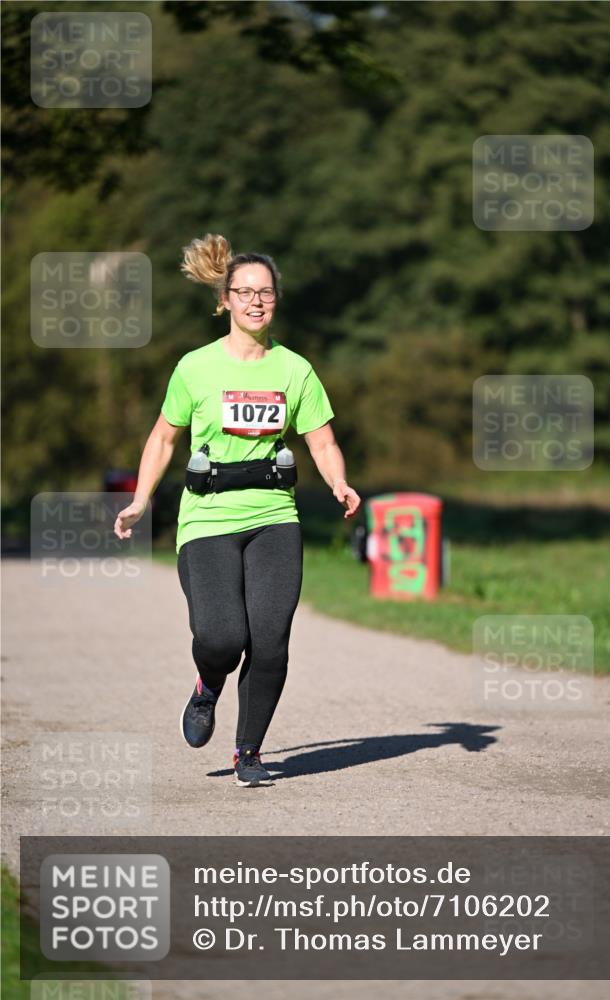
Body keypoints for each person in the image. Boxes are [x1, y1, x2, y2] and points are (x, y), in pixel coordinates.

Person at [114, 233, 360, 787]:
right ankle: (207, 686)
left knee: (270, 640)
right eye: (244, 293)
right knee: (223, 637)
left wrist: (340, 482)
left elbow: (321, 441)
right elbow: (162, 438)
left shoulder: (294, 370)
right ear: (224, 300)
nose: (255, 302)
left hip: (274, 514)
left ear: (275, 300)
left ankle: (247, 752)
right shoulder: (194, 368)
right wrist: (139, 500)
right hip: (208, 518)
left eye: (265, 293)